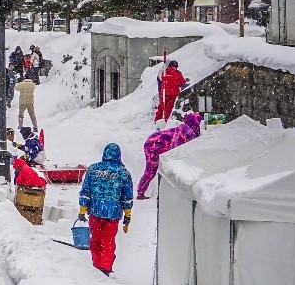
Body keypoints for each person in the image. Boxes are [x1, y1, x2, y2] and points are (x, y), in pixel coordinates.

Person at [78, 142, 135, 276]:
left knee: (96, 240)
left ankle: (96, 266)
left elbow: (85, 192)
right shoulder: (123, 173)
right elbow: (127, 197)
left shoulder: (93, 170)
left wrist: (82, 210)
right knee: (108, 241)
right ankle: (106, 268)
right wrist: (127, 215)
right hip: (112, 213)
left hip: (95, 212)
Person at [137, 112, 203, 198]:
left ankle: (140, 191)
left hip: (154, 142)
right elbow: (175, 149)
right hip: (153, 146)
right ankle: (140, 192)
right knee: (151, 170)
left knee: (151, 170)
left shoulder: (186, 129)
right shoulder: (187, 132)